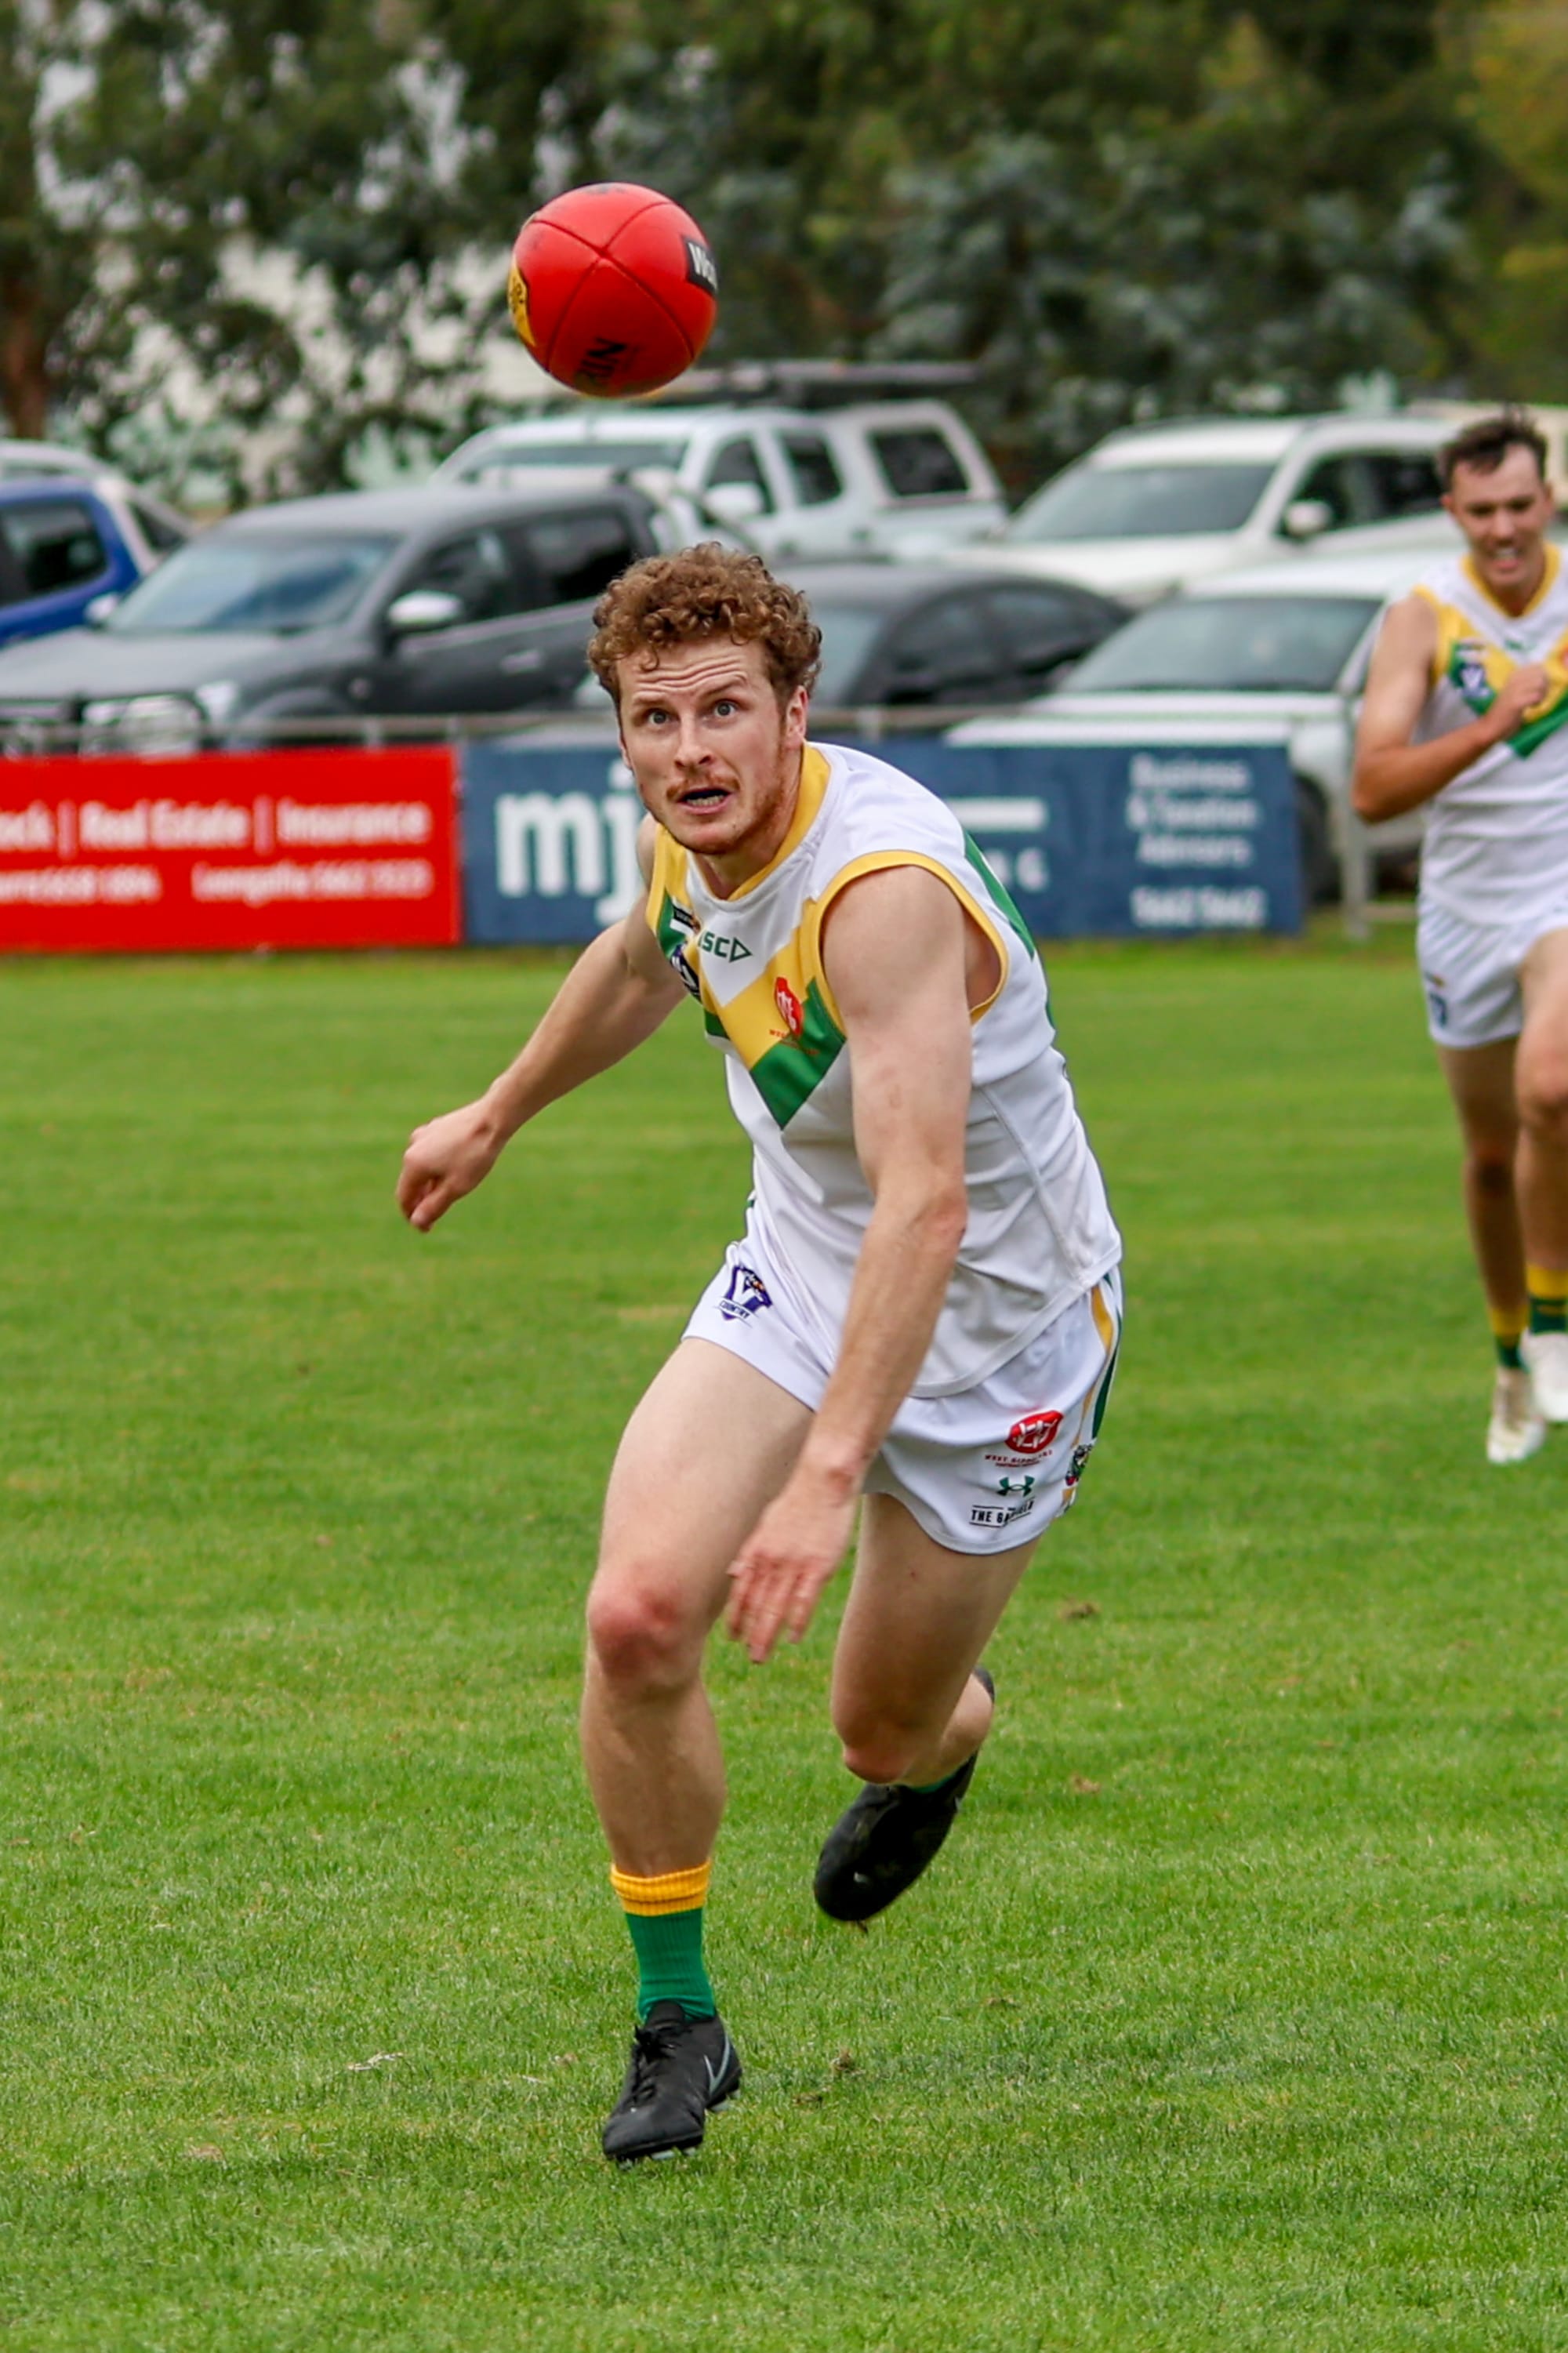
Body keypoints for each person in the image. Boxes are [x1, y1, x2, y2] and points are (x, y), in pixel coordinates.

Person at [396, 546, 1122, 2160]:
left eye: (726, 710)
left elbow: (927, 1205)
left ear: (800, 710)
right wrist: (499, 1110)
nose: (690, 749)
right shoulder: (690, 834)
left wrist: (822, 1476)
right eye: (655, 720)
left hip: (999, 1337)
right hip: (799, 1277)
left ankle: (949, 1738)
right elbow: (641, 958)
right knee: (638, 1612)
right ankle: (681, 2020)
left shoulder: (880, 892)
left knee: (880, 1730)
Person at [1353, 408, 1568, 1464]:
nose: (1504, 528)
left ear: (1551, 498)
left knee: (1553, 1090)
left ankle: (1558, 1320)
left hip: (1560, 896)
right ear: (1453, 511)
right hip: (1464, 911)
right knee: (1490, 1157)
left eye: (1520, 505)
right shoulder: (1423, 618)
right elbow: (1371, 790)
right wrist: (1490, 722)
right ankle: (1512, 1358)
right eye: (1482, 511)